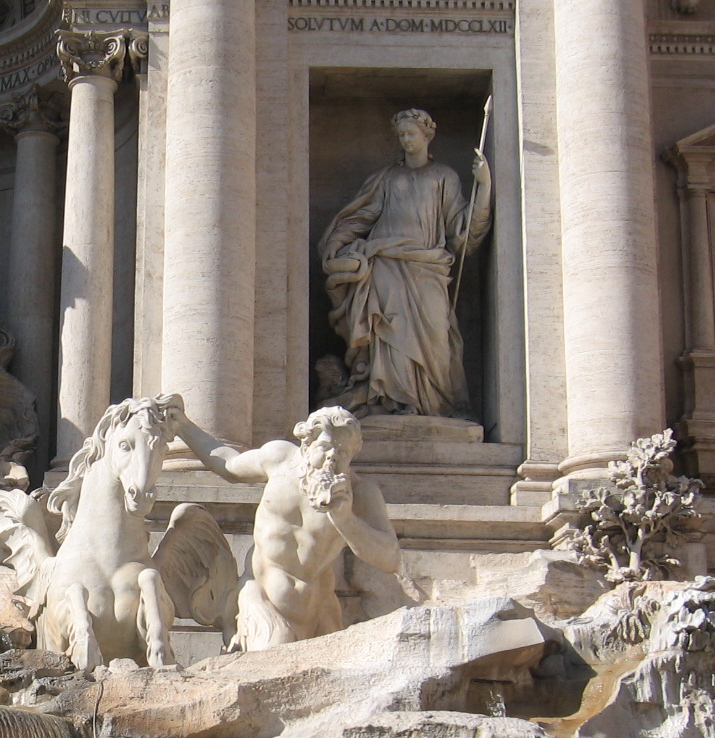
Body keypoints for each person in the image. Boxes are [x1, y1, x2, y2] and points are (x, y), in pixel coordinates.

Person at [167, 402, 400, 650]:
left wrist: (345, 520)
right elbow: (229, 464)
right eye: (325, 447)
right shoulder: (279, 459)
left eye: (343, 451)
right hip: (263, 599)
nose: (333, 456)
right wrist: (183, 426)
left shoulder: (361, 493)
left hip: (319, 609)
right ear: (307, 445)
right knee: (270, 656)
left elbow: (390, 559)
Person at [320, 107, 491, 419]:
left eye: (412, 134)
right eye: (401, 135)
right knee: (391, 329)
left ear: (427, 135)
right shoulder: (387, 178)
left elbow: (462, 229)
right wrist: (335, 242)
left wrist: (484, 186)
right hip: (386, 262)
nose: (406, 140)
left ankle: (435, 406)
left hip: (428, 266)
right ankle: (394, 400)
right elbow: (361, 217)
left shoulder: (444, 177)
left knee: (437, 336)